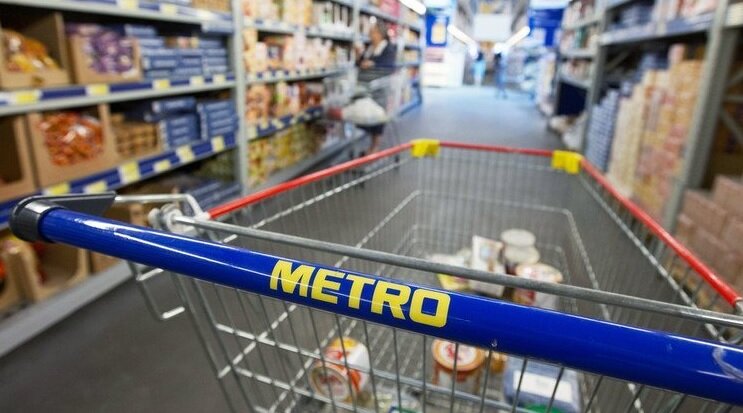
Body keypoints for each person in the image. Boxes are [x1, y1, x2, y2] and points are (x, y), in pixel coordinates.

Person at [355, 22, 397, 153]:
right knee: (368, 115)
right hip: (366, 88)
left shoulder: (388, 48)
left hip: (381, 89)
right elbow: (359, 63)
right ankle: (372, 145)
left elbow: (390, 66)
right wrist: (358, 56)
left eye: (372, 32)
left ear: (380, 34)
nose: (370, 34)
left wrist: (373, 64)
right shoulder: (370, 47)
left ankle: (375, 147)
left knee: (378, 115)